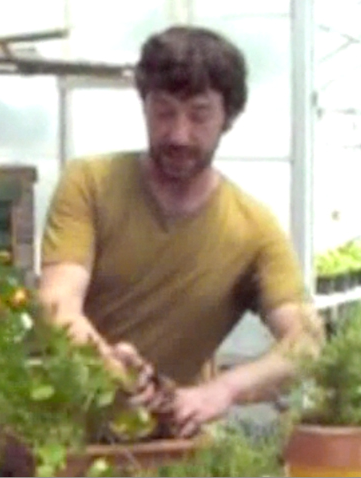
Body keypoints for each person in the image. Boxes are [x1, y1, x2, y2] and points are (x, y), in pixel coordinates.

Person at [38, 25, 322, 438]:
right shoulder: (90, 184)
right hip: (61, 433)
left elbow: (308, 343)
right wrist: (103, 362)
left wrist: (222, 391)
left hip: (170, 436)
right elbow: (56, 302)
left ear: (230, 117)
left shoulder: (253, 229)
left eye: (199, 114)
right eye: (164, 111)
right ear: (144, 107)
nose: (178, 134)